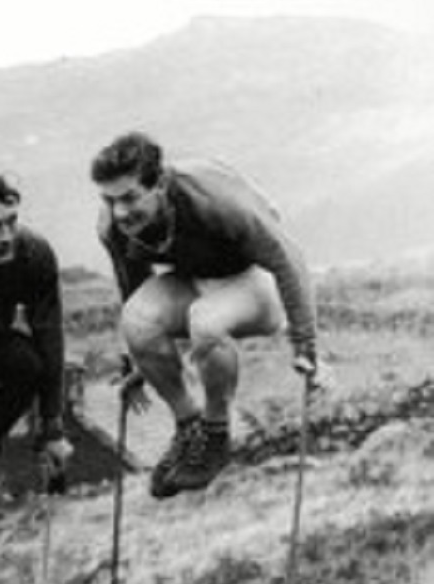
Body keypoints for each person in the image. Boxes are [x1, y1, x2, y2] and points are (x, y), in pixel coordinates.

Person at [91, 131, 318, 499]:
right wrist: (138, 359)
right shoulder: (113, 226)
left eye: (129, 198)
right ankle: (188, 429)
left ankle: (215, 436)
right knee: (136, 320)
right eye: (109, 199)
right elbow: (134, 284)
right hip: (195, 278)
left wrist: (305, 345)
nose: (120, 212)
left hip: (255, 278)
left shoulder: (215, 200)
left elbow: (287, 259)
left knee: (205, 320)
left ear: (159, 184)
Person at [0, 174, 72, 486]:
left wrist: (52, 426)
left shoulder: (33, 252)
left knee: (26, 364)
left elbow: (49, 334)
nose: (6, 236)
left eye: (11, 222)